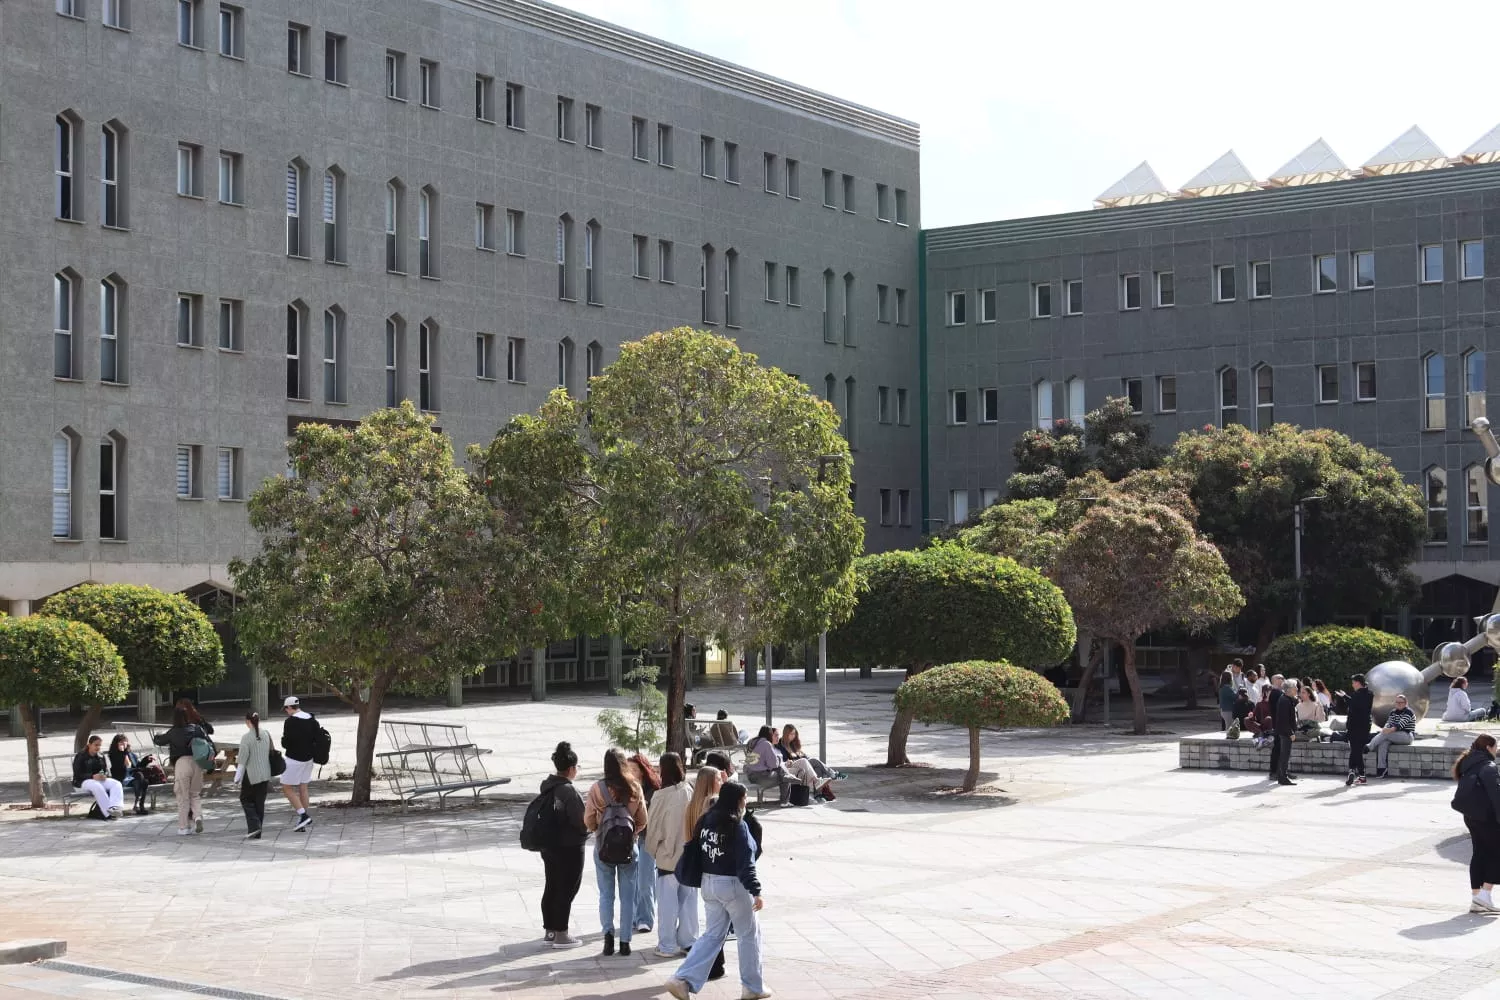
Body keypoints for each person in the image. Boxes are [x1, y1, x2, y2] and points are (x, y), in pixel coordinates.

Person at [665, 781, 770, 1000]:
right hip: (733, 885)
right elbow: (746, 861)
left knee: (712, 935)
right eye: (744, 797)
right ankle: (752, 986)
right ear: (737, 800)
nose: (746, 801)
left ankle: (682, 979)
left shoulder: (706, 820)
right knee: (748, 934)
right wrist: (756, 890)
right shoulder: (737, 824)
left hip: (708, 883)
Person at [584, 748, 648, 957]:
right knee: (628, 896)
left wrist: (599, 830)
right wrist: (632, 834)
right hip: (630, 849)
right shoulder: (635, 788)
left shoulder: (597, 788)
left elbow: (588, 819)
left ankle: (608, 939)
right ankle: (626, 942)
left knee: (606, 895)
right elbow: (642, 820)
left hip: (604, 848)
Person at [645, 753, 700, 958]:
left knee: (668, 905)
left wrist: (654, 850)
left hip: (668, 858)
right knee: (689, 903)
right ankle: (688, 942)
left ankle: (667, 945)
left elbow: (653, 830)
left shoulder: (660, 796)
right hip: (689, 857)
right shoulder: (689, 790)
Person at [538, 741, 588, 948]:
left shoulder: (546, 785)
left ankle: (550, 930)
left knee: (552, 885)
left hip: (549, 844)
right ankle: (562, 934)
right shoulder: (569, 791)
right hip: (569, 847)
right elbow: (580, 821)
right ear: (571, 769)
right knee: (567, 888)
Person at [1452, 734, 1500, 913]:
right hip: (1487, 817)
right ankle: (1485, 895)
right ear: (1488, 747)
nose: (1497, 749)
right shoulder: (1488, 766)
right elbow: (1496, 796)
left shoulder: (1469, 762)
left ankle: (1476, 898)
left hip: (1471, 816)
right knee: (1496, 853)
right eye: (1496, 746)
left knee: (1479, 852)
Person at [154, 706, 211, 835]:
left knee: (182, 796)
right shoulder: (196, 729)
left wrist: (156, 735)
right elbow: (207, 739)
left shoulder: (173, 732)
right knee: (195, 794)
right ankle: (197, 817)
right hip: (197, 763)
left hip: (181, 763)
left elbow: (160, 741)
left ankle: (183, 827)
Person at [748, 725, 830, 804]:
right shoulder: (767, 745)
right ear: (769, 735)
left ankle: (816, 782)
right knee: (799, 771)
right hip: (767, 773)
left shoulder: (759, 744)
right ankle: (804, 796)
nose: (777, 737)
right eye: (775, 735)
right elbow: (772, 764)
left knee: (804, 761)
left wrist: (783, 762)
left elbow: (761, 762)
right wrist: (782, 761)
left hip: (773, 769)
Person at [631, 751, 661, 935]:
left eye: (633, 769)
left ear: (642, 771)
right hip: (632, 839)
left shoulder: (653, 791)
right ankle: (637, 915)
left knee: (645, 880)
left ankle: (645, 919)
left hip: (649, 839)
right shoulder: (626, 789)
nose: (630, 772)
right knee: (635, 880)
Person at [234, 711, 274, 840]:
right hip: (265, 773)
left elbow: (242, 760)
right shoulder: (266, 734)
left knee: (245, 799)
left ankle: (254, 826)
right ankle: (258, 830)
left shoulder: (246, 737)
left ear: (247, 721)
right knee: (259, 803)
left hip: (251, 774)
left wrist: (237, 777)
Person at [280, 696, 317, 832]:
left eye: (286, 709)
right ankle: (303, 819)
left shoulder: (290, 722)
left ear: (289, 708)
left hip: (294, 759)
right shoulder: (312, 719)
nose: (286, 712)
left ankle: (303, 815)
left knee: (286, 787)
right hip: (309, 759)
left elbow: (286, 743)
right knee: (303, 787)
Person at [71, 735, 124, 820]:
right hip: (82, 782)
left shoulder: (100, 756)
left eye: (99, 745)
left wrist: (104, 775)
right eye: (96, 745)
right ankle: (107, 813)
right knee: (96, 786)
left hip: (98, 780)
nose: (98, 747)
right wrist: (92, 776)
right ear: (89, 745)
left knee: (116, 784)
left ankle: (115, 808)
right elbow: (77, 774)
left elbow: (104, 770)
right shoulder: (81, 756)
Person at [1369, 693, 1417, 777]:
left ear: (1405, 703)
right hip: (1394, 735)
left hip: (1407, 736)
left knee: (1385, 735)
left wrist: (1387, 730)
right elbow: (1388, 723)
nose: (1398, 704)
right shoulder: (1393, 712)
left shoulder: (1409, 712)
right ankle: (1382, 769)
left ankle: (1369, 747)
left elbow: (1399, 725)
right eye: (1397, 702)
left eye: (1401, 702)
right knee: (1383, 743)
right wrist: (1386, 728)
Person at [779, 724, 844, 785]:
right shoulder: (781, 744)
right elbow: (784, 759)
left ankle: (818, 793)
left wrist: (805, 756)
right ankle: (833, 774)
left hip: (803, 762)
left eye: (794, 734)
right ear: (786, 734)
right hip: (792, 765)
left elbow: (803, 755)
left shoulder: (792, 744)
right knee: (814, 760)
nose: (793, 736)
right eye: (791, 734)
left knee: (817, 769)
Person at [106, 734, 150, 815]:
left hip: (131, 778)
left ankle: (138, 805)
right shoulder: (114, 754)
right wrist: (123, 753)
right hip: (121, 778)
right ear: (116, 744)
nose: (124, 744)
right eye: (121, 742)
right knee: (141, 780)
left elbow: (138, 766)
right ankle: (139, 806)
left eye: (125, 742)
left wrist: (146, 760)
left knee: (143, 780)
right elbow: (120, 767)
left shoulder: (130, 754)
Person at [1346, 673, 1374, 785]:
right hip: (1365, 726)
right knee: (1355, 750)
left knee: (1355, 751)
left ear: (1358, 683)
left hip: (1355, 726)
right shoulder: (1370, 694)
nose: (1352, 685)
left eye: (1353, 683)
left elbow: (1355, 706)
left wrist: (1344, 697)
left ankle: (1361, 774)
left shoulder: (1357, 695)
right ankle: (1352, 771)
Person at [1272, 679, 1297, 786]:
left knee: (1285, 755)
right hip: (1285, 732)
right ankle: (1282, 777)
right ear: (1289, 689)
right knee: (1284, 755)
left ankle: (1283, 774)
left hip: (1285, 731)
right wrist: (1290, 733)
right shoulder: (1284, 700)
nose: (1296, 689)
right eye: (1294, 687)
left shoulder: (1287, 699)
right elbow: (1284, 720)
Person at [1266, 673, 1288, 777]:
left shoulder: (1280, 692)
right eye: (1281, 678)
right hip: (1279, 724)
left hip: (1282, 724)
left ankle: (1283, 771)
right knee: (1278, 748)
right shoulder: (1275, 693)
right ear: (1275, 680)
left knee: (1283, 749)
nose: (1283, 680)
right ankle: (1274, 771)